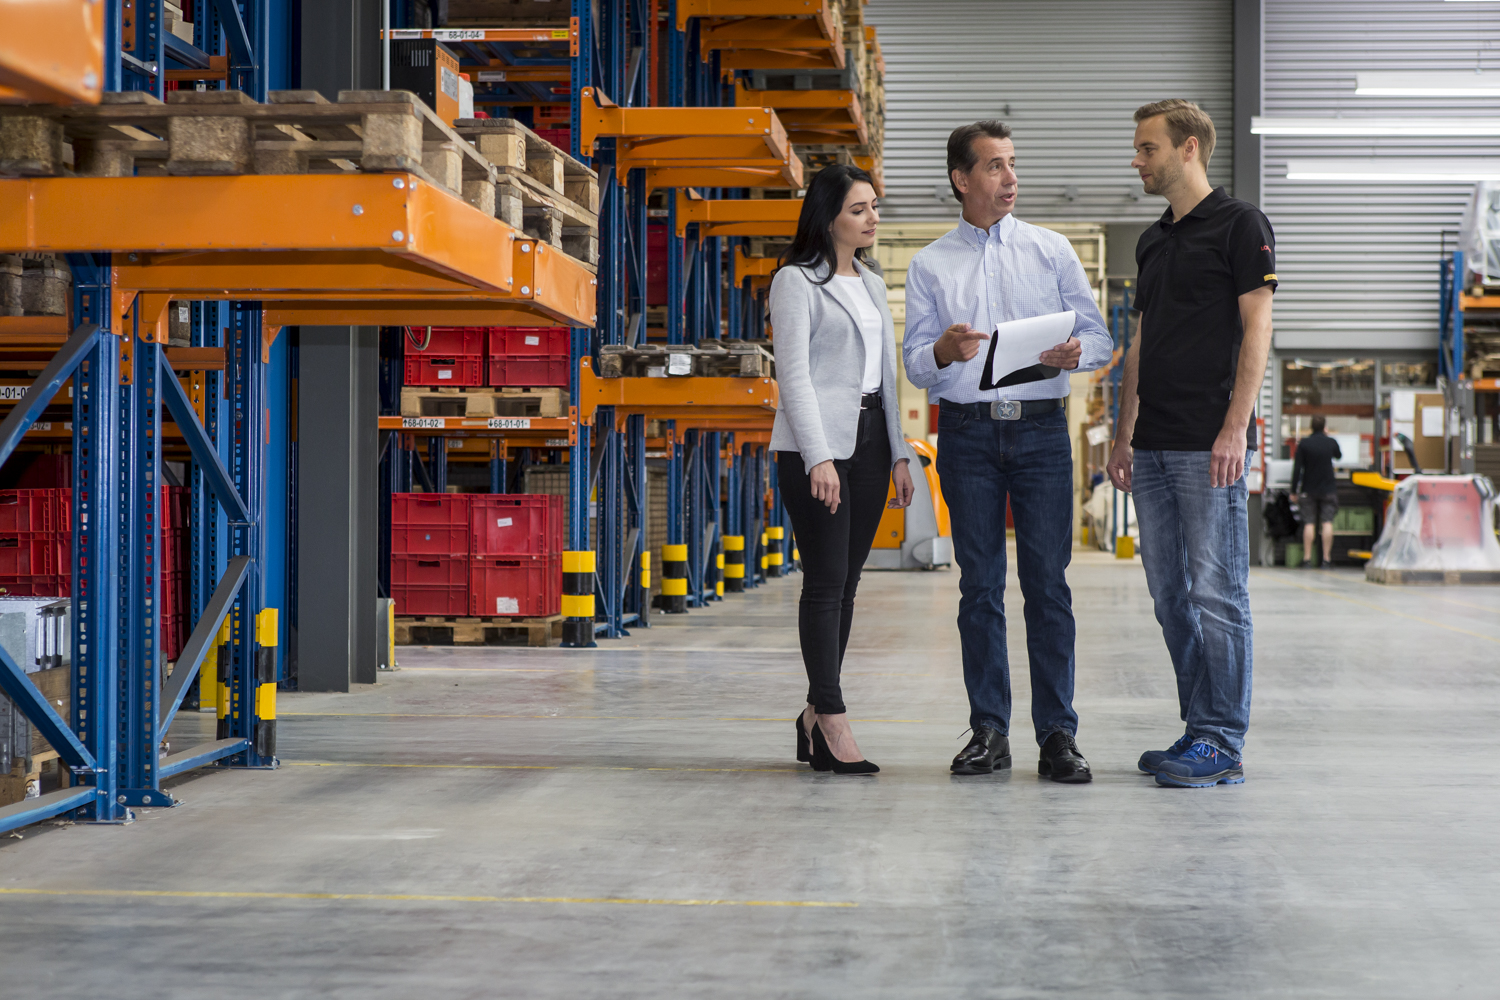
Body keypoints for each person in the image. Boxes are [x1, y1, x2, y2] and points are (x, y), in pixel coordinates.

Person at [903, 121, 1112, 783]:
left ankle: (1058, 736)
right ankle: (989, 731)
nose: (1011, 178)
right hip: (966, 435)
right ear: (962, 179)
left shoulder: (1053, 252)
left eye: (1013, 164)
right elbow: (915, 363)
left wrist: (1078, 353)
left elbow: (1100, 340)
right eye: (994, 166)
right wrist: (944, 351)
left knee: (1048, 587)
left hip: (1044, 434)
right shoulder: (931, 264)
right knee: (980, 589)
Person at [1106, 99, 1276, 789]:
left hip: (1209, 444)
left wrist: (1236, 426)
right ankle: (1200, 726)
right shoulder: (1153, 241)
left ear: (1188, 151)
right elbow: (1141, 344)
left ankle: (1222, 741)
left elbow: (1258, 328)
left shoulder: (1240, 226)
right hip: (1151, 448)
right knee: (1169, 595)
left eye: (1147, 147)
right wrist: (1122, 434)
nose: (1137, 159)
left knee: (1217, 593)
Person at [770, 163, 916, 775]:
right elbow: (795, 378)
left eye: (874, 207)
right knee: (826, 581)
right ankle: (831, 715)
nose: (872, 218)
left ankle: (811, 716)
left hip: (874, 443)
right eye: (860, 209)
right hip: (817, 448)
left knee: (849, 585)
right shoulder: (795, 282)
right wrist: (818, 455)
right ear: (828, 215)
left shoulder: (875, 285)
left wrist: (902, 451)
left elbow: (886, 374)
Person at [1290, 415, 1342, 567]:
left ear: (1311, 426)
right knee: (1327, 522)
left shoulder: (1304, 444)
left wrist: (1294, 490)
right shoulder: (1330, 442)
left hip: (1308, 489)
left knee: (1309, 523)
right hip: (1328, 488)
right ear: (1324, 427)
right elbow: (1338, 455)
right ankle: (1326, 559)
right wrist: (1327, 436)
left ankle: (1307, 559)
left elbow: (1297, 469)